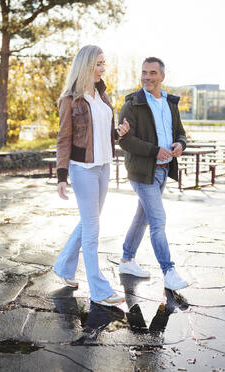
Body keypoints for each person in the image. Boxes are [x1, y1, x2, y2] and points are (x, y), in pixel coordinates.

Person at [52, 45, 130, 306]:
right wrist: (62, 176)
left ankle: (64, 266)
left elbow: (103, 134)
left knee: (89, 221)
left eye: (103, 63)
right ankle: (99, 290)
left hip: (104, 165)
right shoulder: (70, 100)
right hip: (82, 169)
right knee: (93, 229)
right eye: (98, 64)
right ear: (85, 65)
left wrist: (118, 133)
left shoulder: (102, 96)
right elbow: (63, 139)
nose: (102, 68)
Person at [116, 57, 189, 291]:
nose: (147, 77)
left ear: (162, 77)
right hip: (141, 171)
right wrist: (155, 151)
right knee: (158, 221)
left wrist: (180, 144)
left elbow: (180, 133)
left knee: (143, 217)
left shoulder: (170, 103)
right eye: (144, 73)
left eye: (152, 73)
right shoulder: (132, 104)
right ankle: (169, 272)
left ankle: (127, 260)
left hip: (163, 170)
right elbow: (124, 141)